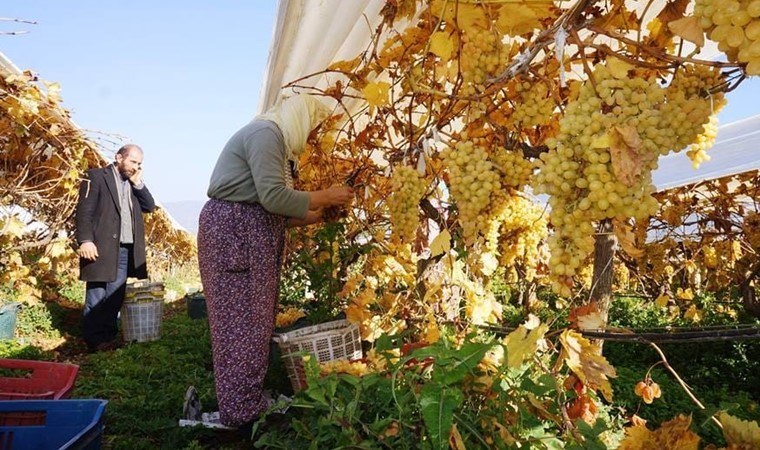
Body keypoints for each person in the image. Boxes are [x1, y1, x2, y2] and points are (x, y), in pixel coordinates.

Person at [196, 94, 353, 430]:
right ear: (301, 118)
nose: (312, 137)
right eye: (313, 127)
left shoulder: (276, 143)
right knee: (240, 323)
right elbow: (272, 198)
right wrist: (327, 195)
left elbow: (272, 211)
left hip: (244, 233)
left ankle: (246, 402)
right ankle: (240, 412)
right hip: (235, 237)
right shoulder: (266, 134)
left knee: (252, 323)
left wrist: (317, 216)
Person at [75, 144, 156, 352]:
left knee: (114, 295)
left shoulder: (133, 183)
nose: (136, 167)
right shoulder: (95, 176)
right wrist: (85, 240)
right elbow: (84, 211)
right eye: (133, 162)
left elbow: (149, 206)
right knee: (97, 293)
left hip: (124, 249)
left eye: (139, 164)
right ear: (119, 157)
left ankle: (108, 337)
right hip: (100, 246)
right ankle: (94, 341)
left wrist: (138, 184)